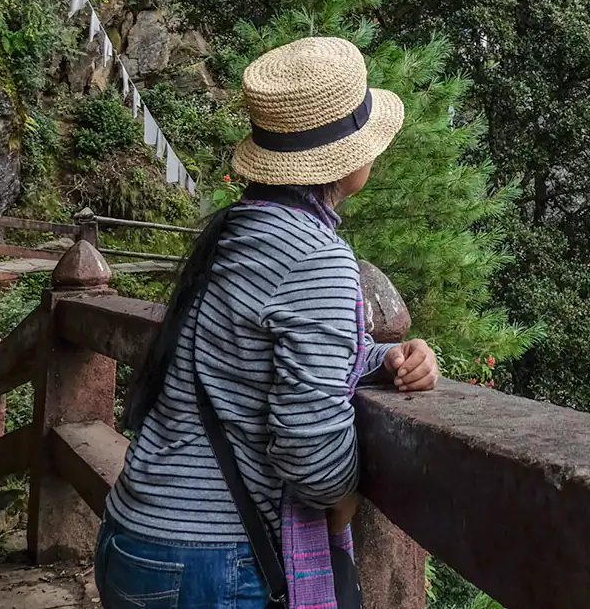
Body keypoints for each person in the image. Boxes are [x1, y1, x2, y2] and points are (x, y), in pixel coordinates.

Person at [97, 37, 439, 609]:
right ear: (346, 158)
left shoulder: (239, 229)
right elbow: (312, 456)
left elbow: (252, 352)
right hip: (209, 565)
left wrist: (385, 360)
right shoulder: (316, 257)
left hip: (132, 535)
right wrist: (350, 494)